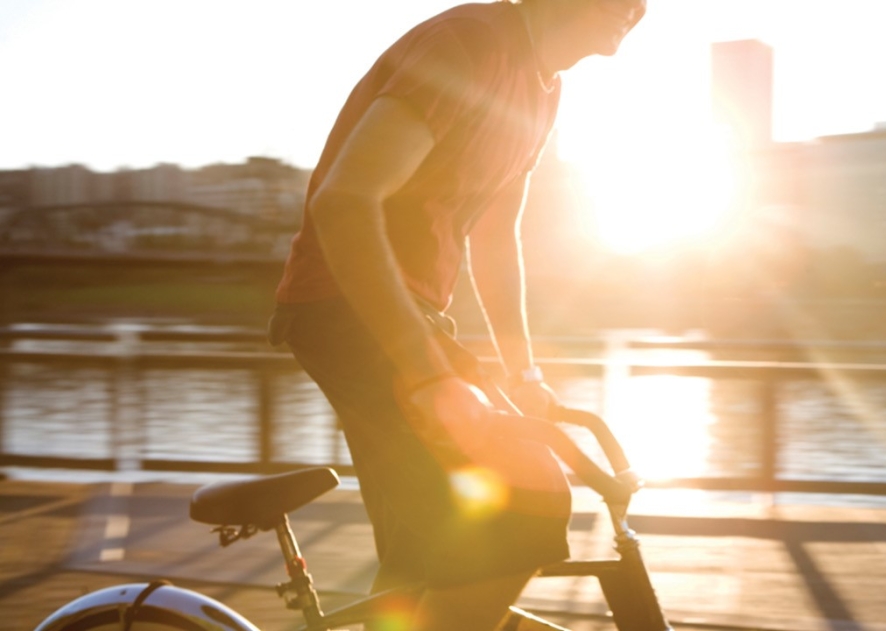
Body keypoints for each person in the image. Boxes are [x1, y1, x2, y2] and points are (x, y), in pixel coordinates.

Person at [267, 1, 646, 629]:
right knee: (528, 501)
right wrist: (429, 373)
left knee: (430, 551)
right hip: (342, 305)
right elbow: (345, 200)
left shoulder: (544, 89)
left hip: (407, 312)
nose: (637, 9)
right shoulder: (468, 48)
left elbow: (498, 236)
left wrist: (522, 374)